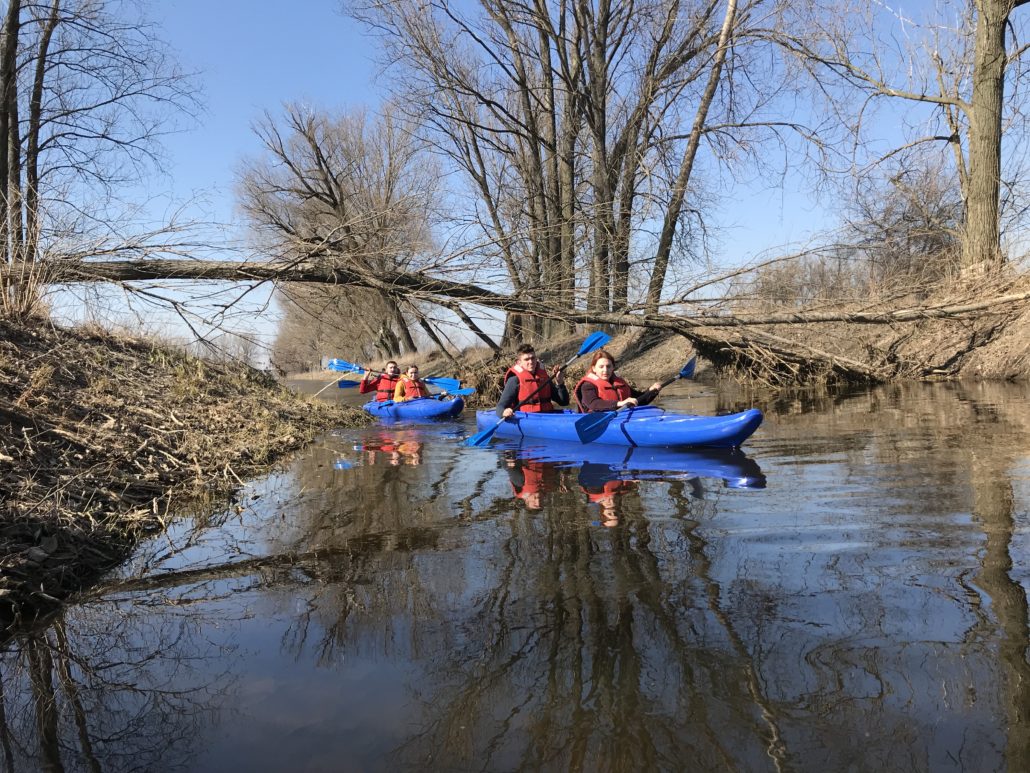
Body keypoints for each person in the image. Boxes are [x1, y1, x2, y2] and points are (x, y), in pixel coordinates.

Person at [574, 349, 663, 412]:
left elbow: (638, 400)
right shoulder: (587, 385)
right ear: (594, 368)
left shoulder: (619, 383)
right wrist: (619, 403)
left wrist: (651, 391)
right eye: (601, 367)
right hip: (595, 419)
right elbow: (593, 404)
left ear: (613, 367)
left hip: (621, 417)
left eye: (608, 366)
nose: (605, 370)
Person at [495, 343, 570, 418]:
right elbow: (500, 407)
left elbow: (564, 402)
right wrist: (504, 412)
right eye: (526, 359)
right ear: (519, 362)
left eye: (533, 358)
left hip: (547, 417)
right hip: (527, 419)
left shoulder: (544, 377)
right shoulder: (514, 380)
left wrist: (560, 383)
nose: (531, 362)